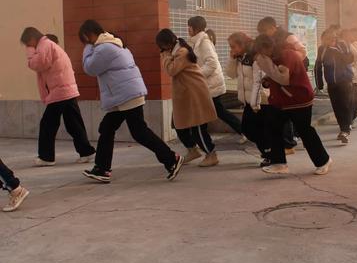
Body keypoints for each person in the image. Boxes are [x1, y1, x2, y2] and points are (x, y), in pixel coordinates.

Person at [79, 20, 184, 182]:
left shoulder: (104, 48)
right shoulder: (113, 43)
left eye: (85, 39)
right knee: (107, 128)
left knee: (139, 132)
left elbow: (90, 68)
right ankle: (102, 169)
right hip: (124, 94)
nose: (87, 43)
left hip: (125, 95)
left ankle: (171, 159)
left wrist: (87, 48)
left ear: (88, 35)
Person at [254, 35, 332, 175]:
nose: (261, 55)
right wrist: (267, 80)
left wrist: (265, 66)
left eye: (261, 51)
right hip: (282, 100)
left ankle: (323, 161)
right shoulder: (274, 57)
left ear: (268, 47)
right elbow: (275, 75)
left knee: (304, 131)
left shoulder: (287, 55)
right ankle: (279, 163)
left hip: (298, 99)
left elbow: (284, 78)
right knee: (273, 127)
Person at [20, 27, 96, 166]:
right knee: (73, 123)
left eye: (28, 44)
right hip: (66, 88)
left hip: (60, 90)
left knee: (48, 124)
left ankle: (46, 157)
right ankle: (86, 151)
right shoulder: (49, 44)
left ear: (31, 38)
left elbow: (39, 64)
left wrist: (30, 54)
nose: (29, 47)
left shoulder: (45, 45)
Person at [156, 29, 219, 167]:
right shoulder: (176, 51)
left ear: (168, 44)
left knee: (198, 127)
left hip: (194, 93)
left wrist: (165, 56)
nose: (161, 50)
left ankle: (211, 154)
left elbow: (171, 70)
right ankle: (192, 150)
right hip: (185, 94)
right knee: (179, 125)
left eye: (162, 47)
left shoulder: (182, 52)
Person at [187, 17, 245, 144]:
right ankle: (244, 131)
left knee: (213, 113)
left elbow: (212, 63)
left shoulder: (204, 42)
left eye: (189, 26)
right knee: (219, 111)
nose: (188, 29)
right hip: (209, 85)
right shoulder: (197, 41)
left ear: (195, 28)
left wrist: (197, 75)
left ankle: (203, 143)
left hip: (211, 85)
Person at [257, 16, 307, 155]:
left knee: (285, 111)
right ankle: (286, 146)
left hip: (291, 77)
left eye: (265, 31)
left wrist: (288, 63)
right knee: (282, 112)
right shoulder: (271, 40)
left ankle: (289, 144)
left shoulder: (288, 37)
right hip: (278, 77)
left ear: (273, 27)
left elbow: (303, 51)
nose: (264, 34)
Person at [226, 32, 271, 166]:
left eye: (233, 46)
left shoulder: (254, 57)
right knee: (248, 130)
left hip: (259, 100)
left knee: (259, 130)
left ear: (242, 44)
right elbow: (231, 74)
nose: (231, 49)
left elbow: (259, 80)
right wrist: (232, 58)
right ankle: (268, 152)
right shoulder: (240, 57)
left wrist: (255, 102)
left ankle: (269, 154)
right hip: (248, 100)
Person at [315, 30, 354, 144]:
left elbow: (349, 59)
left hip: (345, 81)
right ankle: (343, 127)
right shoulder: (322, 49)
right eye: (327, 39)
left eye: (332, 38)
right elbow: (318, 66)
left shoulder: (342, 45)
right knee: (337, 107)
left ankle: (345, 130)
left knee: (345, 105)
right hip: (332, 83)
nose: (330, 41)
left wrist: (337, 52)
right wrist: (320, 83)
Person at [343, 28, 357, 124]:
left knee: (353, 99)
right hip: (343, 76)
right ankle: (347, 119)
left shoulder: (356, 45)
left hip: (354, 76)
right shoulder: (340, 45)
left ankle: (352, 117)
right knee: (346, 99)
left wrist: (353, 63)